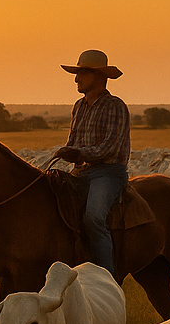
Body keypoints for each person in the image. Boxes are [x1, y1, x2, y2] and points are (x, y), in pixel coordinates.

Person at [53, 49, 130, 276]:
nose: (76, 78)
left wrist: (80, 154)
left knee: (94, 218)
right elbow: (73, 140)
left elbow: (110, 148)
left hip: (108, 173)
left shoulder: (115, 106)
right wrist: (67, 153)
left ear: (98, 76)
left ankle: (107, 278)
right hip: (81, 172)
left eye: (82, 73)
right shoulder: (78, 106)